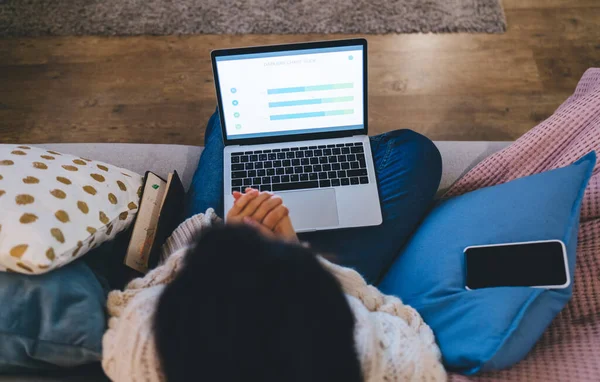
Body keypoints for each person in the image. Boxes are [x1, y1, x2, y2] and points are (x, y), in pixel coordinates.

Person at [101, 110, 447, 381]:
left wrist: (224, 247)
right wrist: (296, 252)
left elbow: (132, 300)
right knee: (414, 151)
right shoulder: (388, 360)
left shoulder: (141, 355)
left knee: (230, 122)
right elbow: (401, 320)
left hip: (236, 262)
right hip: (309, 275)